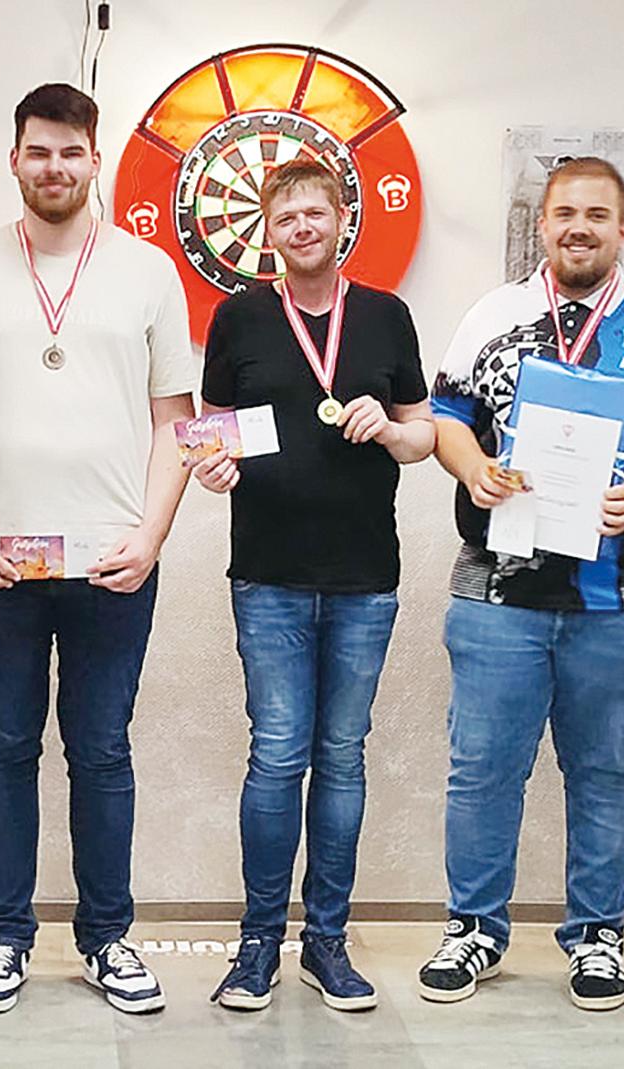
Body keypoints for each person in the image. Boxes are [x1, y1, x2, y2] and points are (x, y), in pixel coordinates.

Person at [422, 157, 624, 1011]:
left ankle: (597, 937)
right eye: (565, 213)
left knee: (606, 773)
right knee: (482, 770)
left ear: (622, 230)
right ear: (543, 225)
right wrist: (474, 467)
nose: (580, 227)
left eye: (598, 214)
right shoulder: (493, 316)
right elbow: (445, 417)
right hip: (498, 591)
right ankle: (473, 928)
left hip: (621, 596)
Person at [0, 83, 197, 1016]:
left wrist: (151, 535)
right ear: (14, 159)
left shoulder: (149, 271)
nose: (54, 167)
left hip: (114, 558)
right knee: (5, 743)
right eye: (38, 151)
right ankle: (4, 938)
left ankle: (107, 937)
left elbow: (176, 423)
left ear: (96, 159)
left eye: (70, 152)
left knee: (102, 749)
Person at [193, 157, 434, 1013]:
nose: (302, 227)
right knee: (276, 753)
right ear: (269, 230)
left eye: (315, 213)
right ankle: (259, 942)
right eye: (286, 216)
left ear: (342, 221)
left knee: (342, 755)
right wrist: (211, 466)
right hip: (268, 573)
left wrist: (391, 430)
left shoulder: (386, 316)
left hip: (365, 575)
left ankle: (326, 939)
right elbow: (212, 431)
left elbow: (424, 434)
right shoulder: (240, 316)